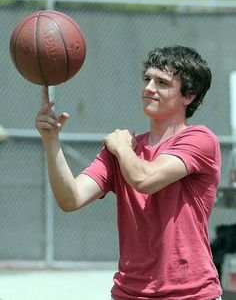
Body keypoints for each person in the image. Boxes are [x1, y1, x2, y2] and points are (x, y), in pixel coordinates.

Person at [36, 45, 223, 300]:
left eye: (162, 82)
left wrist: (123, 149)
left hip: (191, 294)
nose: (148, 88)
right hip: (129, 294)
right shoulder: (122, 149)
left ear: (188, 96)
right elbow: (70, 198)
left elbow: (145, 179)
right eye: (147, 79)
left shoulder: (199, 139)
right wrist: (50, 140)